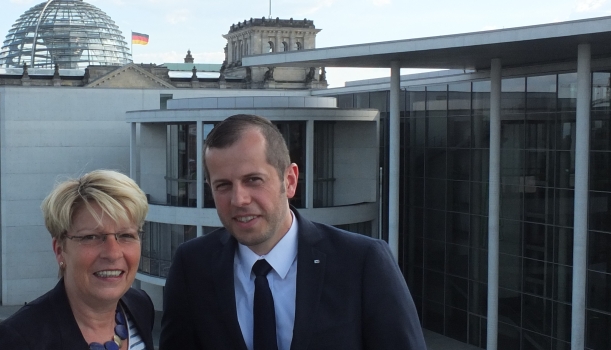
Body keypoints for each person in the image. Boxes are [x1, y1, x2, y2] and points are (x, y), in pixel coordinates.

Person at [159, 114, 425, 350]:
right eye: (223, 185)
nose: (239, 199)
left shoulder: (362, 261)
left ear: (290, 181)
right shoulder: (192, 265)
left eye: (253, 180)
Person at [0, 170, 154, 349]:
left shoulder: (139, 306)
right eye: (91, 237)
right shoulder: (13, 341)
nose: (113, 253)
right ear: (60, 250)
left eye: (126, 235)